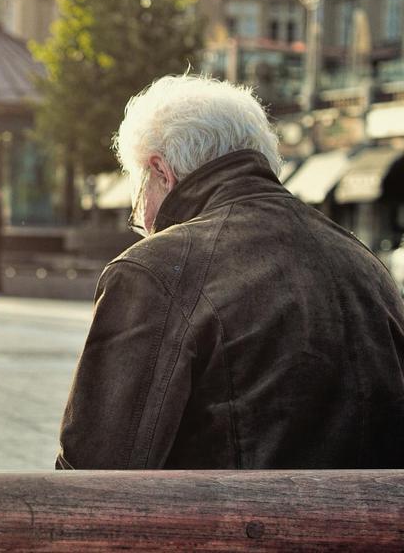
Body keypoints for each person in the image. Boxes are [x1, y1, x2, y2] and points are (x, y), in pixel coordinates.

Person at [57, 75, 404, 470]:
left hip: (227, 529)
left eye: (137, 198)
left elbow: (94, 472)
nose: (142, 221)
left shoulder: (155, 270)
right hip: (372, 530)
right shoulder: (364, 263)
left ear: (161, 172)